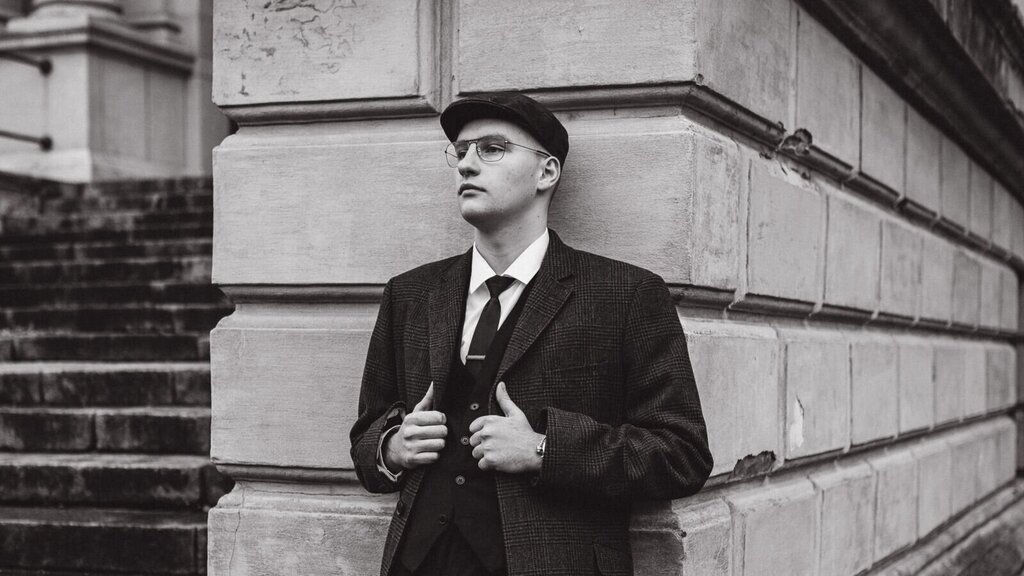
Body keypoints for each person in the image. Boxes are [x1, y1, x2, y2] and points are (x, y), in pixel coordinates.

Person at [349, 92, 713, 576]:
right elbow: (366, 435)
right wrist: (392, 448)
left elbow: (682, 455)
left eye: (491, 149)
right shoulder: (410, 293)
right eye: (461, 151)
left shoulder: (626, 294)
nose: (467, 165)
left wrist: (545, 450)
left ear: (547, 172)